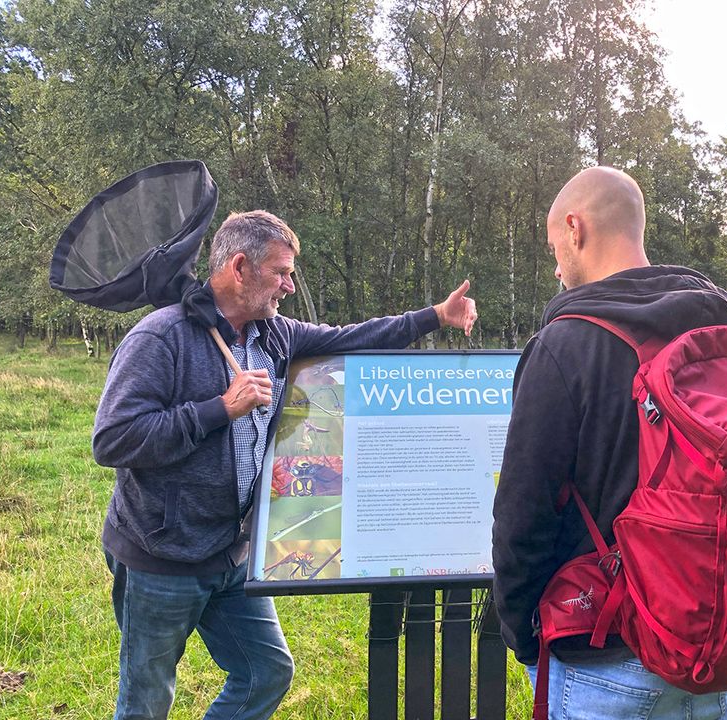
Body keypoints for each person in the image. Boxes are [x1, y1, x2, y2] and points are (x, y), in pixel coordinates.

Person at [92, 209, 478, 720]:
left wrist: (435, 316)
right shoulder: (160, 338)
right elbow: (113, 440)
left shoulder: (274, 333)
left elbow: (351, 337)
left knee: (266, 672)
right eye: (281, 272)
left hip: (232, 554)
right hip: (160, 555)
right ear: (239, 268)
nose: (289, 286)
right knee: (147, 697)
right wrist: (219, 410)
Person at [491, 167, 727, 718]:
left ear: (575, 228)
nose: (556, 266)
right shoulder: (722, 330)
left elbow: (523, 509)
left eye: (554, 246)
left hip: (603, 654)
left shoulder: (566, 344)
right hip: (715, 640)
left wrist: (524, 634)